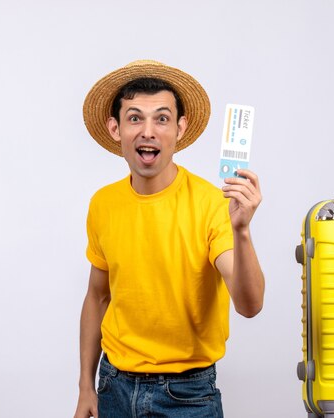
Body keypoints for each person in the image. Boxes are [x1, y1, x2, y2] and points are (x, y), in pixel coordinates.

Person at [74, 60, 265, 418]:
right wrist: (86, 385)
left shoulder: (211, 203)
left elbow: (249, 304)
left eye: (161, 118)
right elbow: (97, 296)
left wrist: (241, 231)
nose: (148, 131)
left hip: (187, 396)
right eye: (135, 118)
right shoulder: (103, 203)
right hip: (113, 386)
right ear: (115, 129)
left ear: (180, 128)